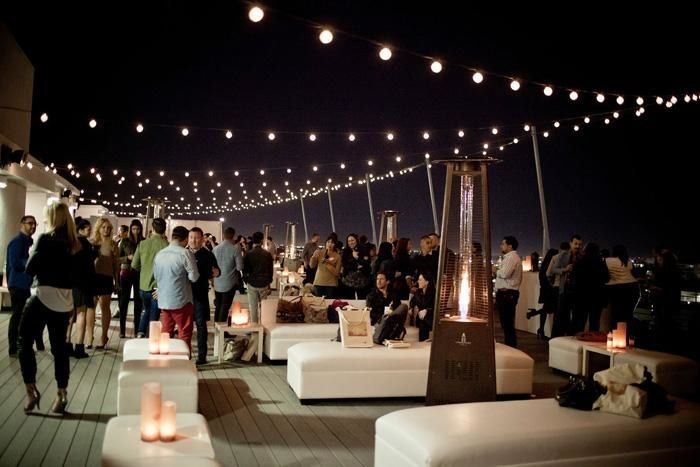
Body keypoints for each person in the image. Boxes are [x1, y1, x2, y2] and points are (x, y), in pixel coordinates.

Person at [19, 202, 89, 414]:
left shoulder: (45, 240)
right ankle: (61, 394)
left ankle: (31, 391)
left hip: (43, 297)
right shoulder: (77, 244)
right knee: (60, 349)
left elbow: (29, 269)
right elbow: (81, 276)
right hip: (65, 301)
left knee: (24, 342)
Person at [153, 226, 199, 352]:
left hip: (164, 301)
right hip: (181, 300)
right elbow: (194, 277)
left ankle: (165, 359)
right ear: (185, 239)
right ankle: (183, 362)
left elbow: (156, 276)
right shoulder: (185, 254)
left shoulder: (160, 254)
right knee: (184, 333)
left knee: (166, 332)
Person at [6, 215, 41, 356]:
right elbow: (15, 264)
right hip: (17, 285)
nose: (33, 226)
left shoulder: (25, 242)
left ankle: (19, 347)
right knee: (18, 317)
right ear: (22, 224)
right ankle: (13, 348)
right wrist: (32, 261)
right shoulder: (17, 242)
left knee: (22, 317)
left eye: (35, 224)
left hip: (23, 285)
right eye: (30, 223)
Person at [187, 227, 220, 365]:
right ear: (188, 239)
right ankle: (184, 354)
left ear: (202, 239)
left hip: (200, 294)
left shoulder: (207, 254)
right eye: (191, 237)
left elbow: (217, 270)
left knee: (201, 325)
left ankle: (202, 356)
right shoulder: (184, 253)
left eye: (197, 237)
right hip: (184, 295)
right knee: (185, 326)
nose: (194, 240)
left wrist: (217, 272)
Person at [132, 218, 168, 337]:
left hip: (143, 286)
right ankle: (151, 338)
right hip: (158, 288)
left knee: (146, 311)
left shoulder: (142, 244)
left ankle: (140, 333)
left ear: (152, 229)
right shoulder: (166, 246)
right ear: (164, 230)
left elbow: (134, 265)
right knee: (154, 316)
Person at [68, 217, 96, 358]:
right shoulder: (85, 243)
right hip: (84, 283)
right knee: (81, 314)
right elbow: (89, 264)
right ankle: (79, 346)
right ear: (80, 229)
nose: (89, 230)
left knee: (70, 314)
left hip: (71, 283)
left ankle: (66, 344)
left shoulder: (71, 243)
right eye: (87, 228)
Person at [90, 217, 119, 349]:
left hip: (106, 277)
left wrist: (116, 281)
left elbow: (116, 265)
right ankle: (89, 336)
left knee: (104, 306)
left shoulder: (113, 244)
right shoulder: (93, 242)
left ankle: (103, 336)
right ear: (99, 228)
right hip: (93, 277)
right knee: (91, 307)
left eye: (108, 228)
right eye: (104, 227)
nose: (106, 230)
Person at [550, 234, 584, 337]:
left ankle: (572, 337)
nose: (577, 246)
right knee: (561, 316)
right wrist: (564, 270)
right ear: (571, 243)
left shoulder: (583, 257)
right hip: (564, 290)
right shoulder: (563, 255)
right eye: (575, 244)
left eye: (580, 244)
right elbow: (553, 269)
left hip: (578, 291)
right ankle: (559, 338)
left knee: (576, 317)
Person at [571, 242, 609, 333]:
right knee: (594, 323)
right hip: (597, 296)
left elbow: (575, 278)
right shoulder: (601, 263)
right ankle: (591, 343)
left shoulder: (580, 262)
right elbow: (606, 278)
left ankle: (577, 343)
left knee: (579, 322)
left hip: (582, 296)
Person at [117, 219, 144, 338]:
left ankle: (137, 329)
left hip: (139, 273)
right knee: (124, 301)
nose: (136, 231)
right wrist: (127, 258)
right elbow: (117, 259)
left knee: (138, 302)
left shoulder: (144, 241)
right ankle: (122, 329)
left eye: (138, 229)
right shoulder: (124, 241)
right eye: (133, 229)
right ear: (130, 229)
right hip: (126, 272)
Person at [494, 236, 523, 347]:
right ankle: (510, 345)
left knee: (507, 323)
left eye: (503, 243)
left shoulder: (511, 258)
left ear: (510, 246)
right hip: (506, 294)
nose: (501, 246)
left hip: (507, 294)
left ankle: (511, 346)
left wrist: (495, 270)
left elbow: (505, 274)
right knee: (506, 323)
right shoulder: (510, 257)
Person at [605, 244, 640, 333]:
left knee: (616, 315)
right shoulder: (628, 261)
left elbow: (604, 275)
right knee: (628, 316)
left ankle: (616, 336)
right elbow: (634, 274)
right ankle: (627, 337)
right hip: (633, 288)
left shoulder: (608, 260)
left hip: (618, 289)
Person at [212, 227, 244, 323]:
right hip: (229, 282)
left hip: (217, 282)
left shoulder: (215, 249)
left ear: (223, 235)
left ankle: (216, 327)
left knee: (218, 305)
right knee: (225, 306)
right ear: (233, 236)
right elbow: (239, 267)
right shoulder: (235, 249)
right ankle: (222, 330)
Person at [526, 248, 559, 339]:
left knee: (546, 309)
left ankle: (540, 329)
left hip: (545, 291)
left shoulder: (544, 266)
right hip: (551, 291)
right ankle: (541, 329)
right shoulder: (551, 266)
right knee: (551, 309)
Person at [243, 231, 274, 323]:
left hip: (252, 283)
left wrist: (246, 281)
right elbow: (270, 270)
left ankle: (255, 329)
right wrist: (269, 282)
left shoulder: (248, 254)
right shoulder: (267, 254)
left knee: (253, 307)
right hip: (264, 283)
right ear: (261, 241)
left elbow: (245, 270)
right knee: (263, 306)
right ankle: (264, 325)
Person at [340, 233, 371, 299]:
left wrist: (357, 258)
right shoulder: (346, 251)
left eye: (352, 240)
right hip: (348, 280)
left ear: (356, 240)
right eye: (349, 241)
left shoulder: (363, 249)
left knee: (362, 299)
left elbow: (367, 263)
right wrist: (356, 266)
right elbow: (345, 265)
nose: (351, 242)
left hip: (362, 280)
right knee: (349, 299)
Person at [409, 272, 436, 341]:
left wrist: (427, 310)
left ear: (427, 282)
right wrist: (411, 308)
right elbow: (412, 302)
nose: (418, 281)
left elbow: (436, 307)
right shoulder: (418, 293)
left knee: (424, 317)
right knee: (423, 319)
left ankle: (423, 340)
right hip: (421, 318)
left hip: (431, 317)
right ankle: (425, 340)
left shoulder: (434, 293)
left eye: (420, 280)